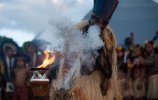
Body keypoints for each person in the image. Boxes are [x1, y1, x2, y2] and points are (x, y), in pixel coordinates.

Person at [51, 0, 122, 100]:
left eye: (103, 23)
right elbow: (68, 59)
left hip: (96, 83)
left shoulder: (106, 36)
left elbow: (108, 58)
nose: (100, 25)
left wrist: (107, 79)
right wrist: (67, 80)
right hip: (78, 80)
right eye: (98, 21)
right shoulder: (79, 30)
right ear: (92, 18)